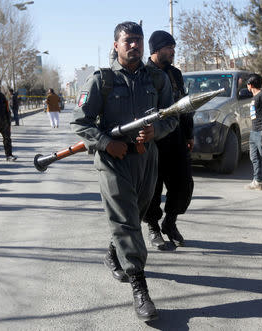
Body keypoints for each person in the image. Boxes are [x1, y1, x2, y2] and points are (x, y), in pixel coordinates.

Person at [71, 21, 177, 322]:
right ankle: (140, 287)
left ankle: (113, 250)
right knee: (126, 220)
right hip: (112, 161)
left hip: (146, 158)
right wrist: (105, 143)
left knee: (138, 214)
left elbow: (172, 115)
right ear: (116, 45)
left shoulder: (157, 79)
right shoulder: (101, 80)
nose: (134, 46)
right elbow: (80, 121)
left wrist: (155, 130)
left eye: (138, 41)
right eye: (128, 41)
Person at [143, 30, 194, 250]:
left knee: (183, 185)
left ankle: (170, 222)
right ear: (156, 49)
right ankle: (153, 227)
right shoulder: (143, 74)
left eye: (173, 47)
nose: (173, 51)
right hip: (153, 141)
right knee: (153, 188)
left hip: (176, 138)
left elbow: (185, 107)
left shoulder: (175, 74)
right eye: (168, 48)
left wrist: (189, 133)